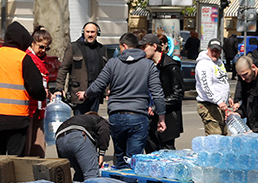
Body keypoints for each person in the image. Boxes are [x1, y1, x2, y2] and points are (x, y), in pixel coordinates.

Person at [78, 32, 166, 168]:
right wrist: (161, 118)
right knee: (134, 160)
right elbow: (158, 93)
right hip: (138, 116)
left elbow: (98, 85)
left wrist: (85, 94)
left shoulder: (113, 64)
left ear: (124, 46)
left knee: (120, 157)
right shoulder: (148, 65)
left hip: (116, 116)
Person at [0, 22, 47, 156]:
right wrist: (42, 96)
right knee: (15, 160)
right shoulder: (22, 58)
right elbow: (36, 87)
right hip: (16, 118)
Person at [142, 33, 184, 152]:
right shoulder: (147, 65)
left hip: (167, 117)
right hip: (149, 118)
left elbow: (178, 94)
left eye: (144, 47)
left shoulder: (171, 66)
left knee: (166, 153)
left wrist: (157, 107)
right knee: (151, 152)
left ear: (154, 47)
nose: (142, 51)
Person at [62, 21, 109, 115]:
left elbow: (106, 71)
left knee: (92, 122)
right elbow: (63, 69)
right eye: (87, 32)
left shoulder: (101, 49)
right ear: (83, 32)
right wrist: (59, 88)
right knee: (79, 122)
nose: (90, 35)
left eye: (92, 32)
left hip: (95, 94)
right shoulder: (73, 47)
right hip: (78, 94)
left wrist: (107, 91)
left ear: (97, 33)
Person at [55, 112, 111, 182]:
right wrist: (101, 153)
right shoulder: (98, 119)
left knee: (80, 172)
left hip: (60, 139)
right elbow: (104, 129)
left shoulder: (77, 119)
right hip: (77, 136)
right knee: (91, 174)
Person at [25, 27, 55, 157]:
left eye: (46, 48)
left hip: (40, 105)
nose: (43, 51)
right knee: (30, 140)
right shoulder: (28, 58)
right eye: (41, 47)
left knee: (38, 138)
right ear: (33, 43)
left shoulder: (42, 60)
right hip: (30, 105)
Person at [196, 37, 230, 135]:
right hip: (209, 105)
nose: (215, 53)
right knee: (215, 137)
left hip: (219, 105)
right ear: (208, 49)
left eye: (217, 51)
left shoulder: (218, 62)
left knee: (223, 136)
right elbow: (206, 86)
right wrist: (219, 101)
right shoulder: (204, 64)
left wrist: (228, 97)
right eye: (212, 50)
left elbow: (222, 81)